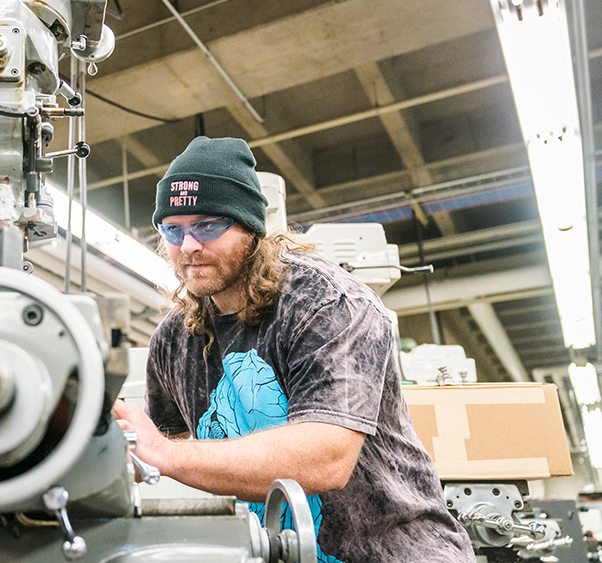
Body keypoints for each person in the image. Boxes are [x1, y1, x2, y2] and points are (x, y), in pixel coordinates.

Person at [112, 136, 474, 563]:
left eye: (208, 225)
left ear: (249, 226)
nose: (188, 245)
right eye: (173, 229)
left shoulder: (327, 303)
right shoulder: (175, 339)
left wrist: (165, 454)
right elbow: (154, 447)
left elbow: (327, 459)